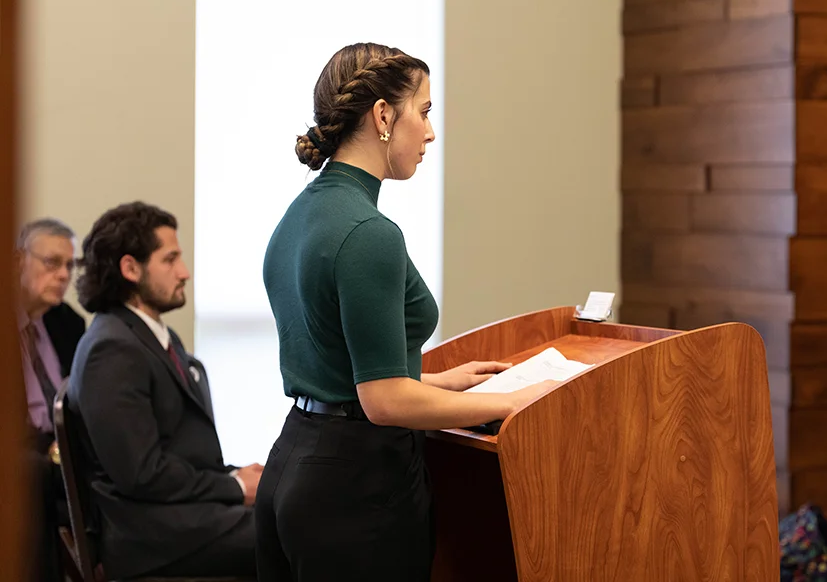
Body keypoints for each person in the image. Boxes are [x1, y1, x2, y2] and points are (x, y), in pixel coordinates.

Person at [257, 42, 553, 581]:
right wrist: (511, 402)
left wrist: (439, 380)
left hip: (295, 464)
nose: (431, 133)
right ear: (383, 115)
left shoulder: (302, 211)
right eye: (425, 111)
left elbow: (340, 368)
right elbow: (384, 400)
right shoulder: (369, 233)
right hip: (356, 489)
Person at [67, 202, 262, 579]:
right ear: (130, 268)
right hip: (152, 537)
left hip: (180, 516)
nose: (184, 272)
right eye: (170, 259)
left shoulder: (153, 336)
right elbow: (141, 473)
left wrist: (237, 475)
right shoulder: (111, 349)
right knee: (297, 531)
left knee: (293, 510)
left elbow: (180, 452)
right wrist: (234, 486)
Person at [15, 218, 85, 582]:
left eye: (69, 265)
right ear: (17, 262)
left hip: (62, 449)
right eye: (52, 263)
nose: (63, 275)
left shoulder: (67, 323)